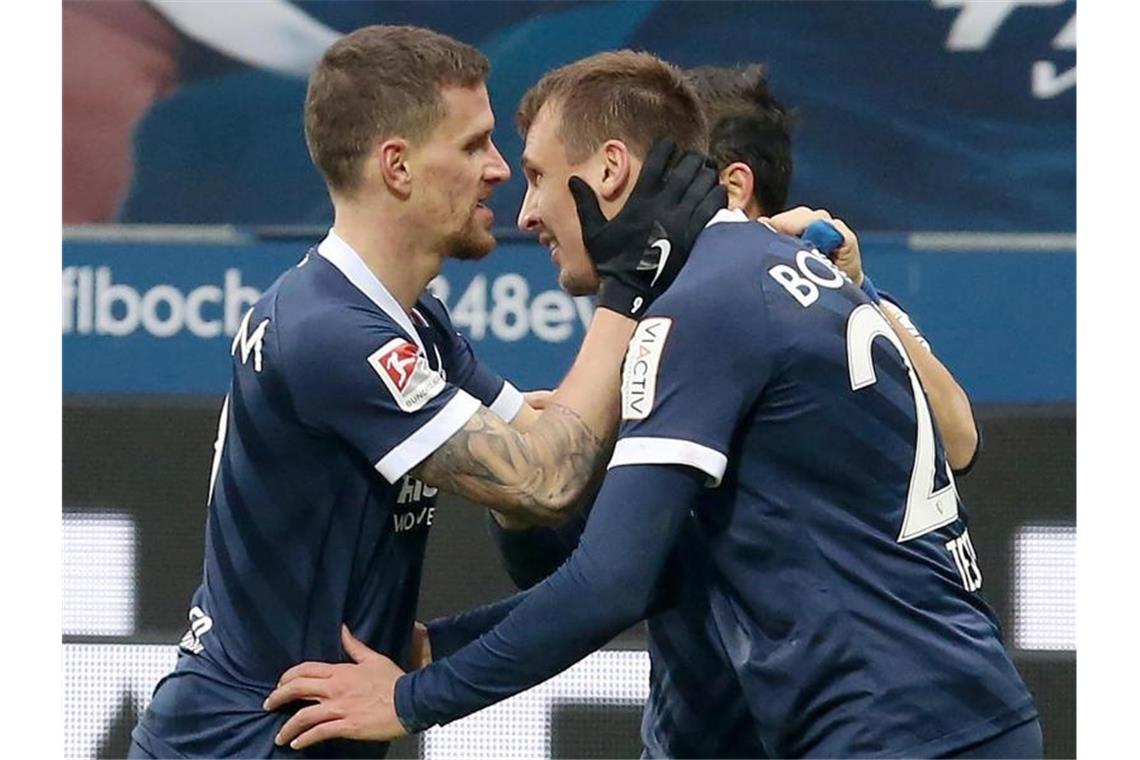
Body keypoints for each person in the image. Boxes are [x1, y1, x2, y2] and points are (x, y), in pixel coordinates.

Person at [264, 51, 1042, 758]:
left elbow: (611, 581)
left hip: (894, 734)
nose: (525, 211)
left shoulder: (700, 308)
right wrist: (446, 647)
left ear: (609, 171)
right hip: (951, 716)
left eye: (536, 175)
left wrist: (410, 700)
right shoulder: (777, 272)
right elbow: (668, 571)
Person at [129, 27, 723, 758]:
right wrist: (633, 283)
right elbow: (543, 479)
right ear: (398, 167)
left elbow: (538, 434)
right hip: (241, 742)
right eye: (474, 146)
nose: (500, 171)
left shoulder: (413, 322)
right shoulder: (331, 333)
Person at [438, 63, 984, 759]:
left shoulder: (798, 310)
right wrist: (519, 498)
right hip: (710, 733)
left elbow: (960, 440)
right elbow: (586, 567)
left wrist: (860, 286)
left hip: (848, 726)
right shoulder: (661, 323)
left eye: (676, 174)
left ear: (728, 186)